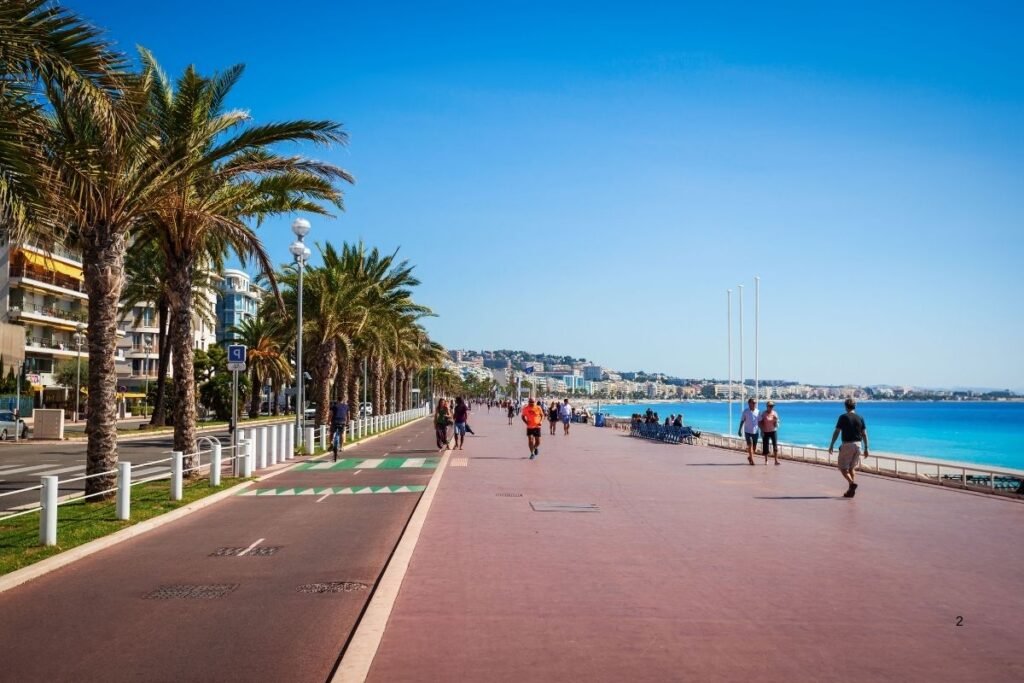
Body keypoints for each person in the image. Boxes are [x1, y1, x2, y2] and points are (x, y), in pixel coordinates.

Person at [828, 398, 870, 498]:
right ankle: (851, 490)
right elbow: (864, 434)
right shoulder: (860, 417)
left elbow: (837, 431)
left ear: (845, 406)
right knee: (852, 468)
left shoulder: (843, 417)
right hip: (858, 445)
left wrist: (831, 444)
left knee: (842, 468)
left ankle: (851, 483)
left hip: (847, 445)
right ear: (855, 406)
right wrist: (866, 448)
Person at [738, 398, 759, 465]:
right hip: (747, 431)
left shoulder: (758, 412)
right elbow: (742, 421)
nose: (754, 404)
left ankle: (750, 457)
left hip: (756, 432)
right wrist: (739, 430)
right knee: (750, 445)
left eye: (755, 403)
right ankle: (752, 461)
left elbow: (760, 422)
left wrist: (763, 431)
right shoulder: (745, 411)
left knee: (754, 448)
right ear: (749, 403)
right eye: (753, 403)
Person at [759, 400, 781, 465]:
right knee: (766, 446)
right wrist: (761, 430)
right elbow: (760, 422)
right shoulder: (763, 413)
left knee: (775, 446)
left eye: (772, 406)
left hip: (773, 431)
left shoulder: (775, 413)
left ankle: (776, 460)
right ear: (767, 406)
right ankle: (766, 460)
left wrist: (776, 420)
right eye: (770, 406)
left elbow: (777, 424)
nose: (771, 407)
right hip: (765, 432)